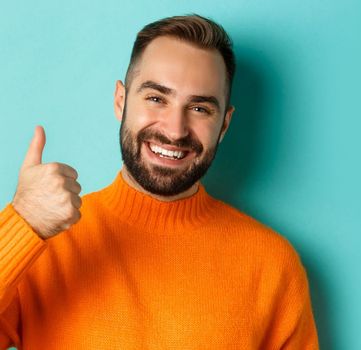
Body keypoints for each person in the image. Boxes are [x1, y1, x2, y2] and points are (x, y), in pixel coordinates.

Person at [0, 14, 319, 349]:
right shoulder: (42, 246)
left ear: (224, 125)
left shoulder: (272, 265)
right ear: (121, 101)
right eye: (156, 98)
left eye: (199, 108)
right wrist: (22, 223)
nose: (174, 129)